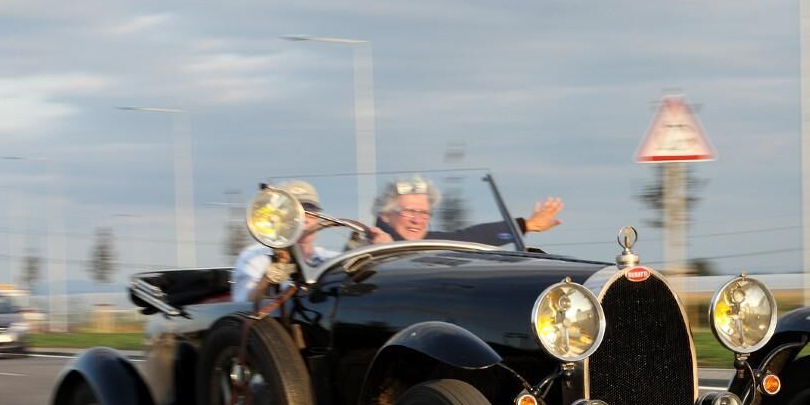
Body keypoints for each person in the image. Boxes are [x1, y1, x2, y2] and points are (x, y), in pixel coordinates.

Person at [232, 180, 390, 301]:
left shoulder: (329, 259)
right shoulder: (256, 256)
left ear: (318, 215)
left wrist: (380, 252)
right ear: (278, 215)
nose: (304, 215)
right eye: (296, 208)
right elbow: (245, 306)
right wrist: (272, 274)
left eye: (310, 208)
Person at [372, 175, 564, 245]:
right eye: (409, 212)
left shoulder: (427, 243)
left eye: (423, 213)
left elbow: (472, 237)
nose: (417, 220)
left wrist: (523, 225)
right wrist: (382, 250)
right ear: (386, 216)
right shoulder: (367, 242)